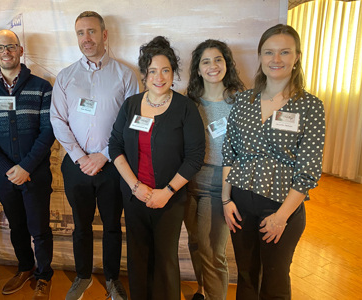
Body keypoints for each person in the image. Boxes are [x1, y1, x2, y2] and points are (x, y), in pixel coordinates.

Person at [222, 24, 325, 300]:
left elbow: (309, 170)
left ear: (297, 57)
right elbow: (229, 151)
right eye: (269, 52)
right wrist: (225, 199)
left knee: (275, 281)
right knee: (244, 277)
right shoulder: (244, 100)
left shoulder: (310, 107)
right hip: (240, 202)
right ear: (260, 57)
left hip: (281, 207)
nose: (276, 59)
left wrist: (281, 218)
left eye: (284, 52)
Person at [50, 11, 138, 300]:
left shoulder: (126, 75)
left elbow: (131, 122)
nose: (86, 38)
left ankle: (112, 279)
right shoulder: (65, 77)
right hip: (75, 165)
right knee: (81, 225)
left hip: (114, 165)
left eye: (91, 31)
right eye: (80, 33)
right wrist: (79, 156)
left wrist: (102, 155)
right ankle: (83, 276)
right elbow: (57, 120)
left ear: (104, 34)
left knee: (113, 225)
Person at [109, 36, 205, 300]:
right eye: (152, 71)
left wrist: (167, 191)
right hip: (135, 196)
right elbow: (114, 146)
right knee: (138, 257)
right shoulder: (130, 105)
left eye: (165, 70)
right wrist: (135, 186)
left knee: (165, 259)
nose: (159, 77)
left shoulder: (185, 108)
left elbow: (195, 156)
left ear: (174, 73)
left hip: (170, 199)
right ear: (144, 74)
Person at [0, 29, 55, 300]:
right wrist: (6, 168)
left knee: (40, 229)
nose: (5, 52)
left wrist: (27, 167)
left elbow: (48, 131)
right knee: (16, 226)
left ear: (21, 50)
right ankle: (25, 268)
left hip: (36, 175)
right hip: (4, 175)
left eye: (10, 47)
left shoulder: (42, 87)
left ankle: (44, 275)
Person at [183, 40, 245, 300]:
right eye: (205, 61)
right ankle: (203, 291)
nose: (212, 66)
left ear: (227, 64)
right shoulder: (189, 103)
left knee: (213, 253)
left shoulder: (240, 102)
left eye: (218, 59)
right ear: (198, 69)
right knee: (195, 244)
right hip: (188, 182)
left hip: (221, 183)